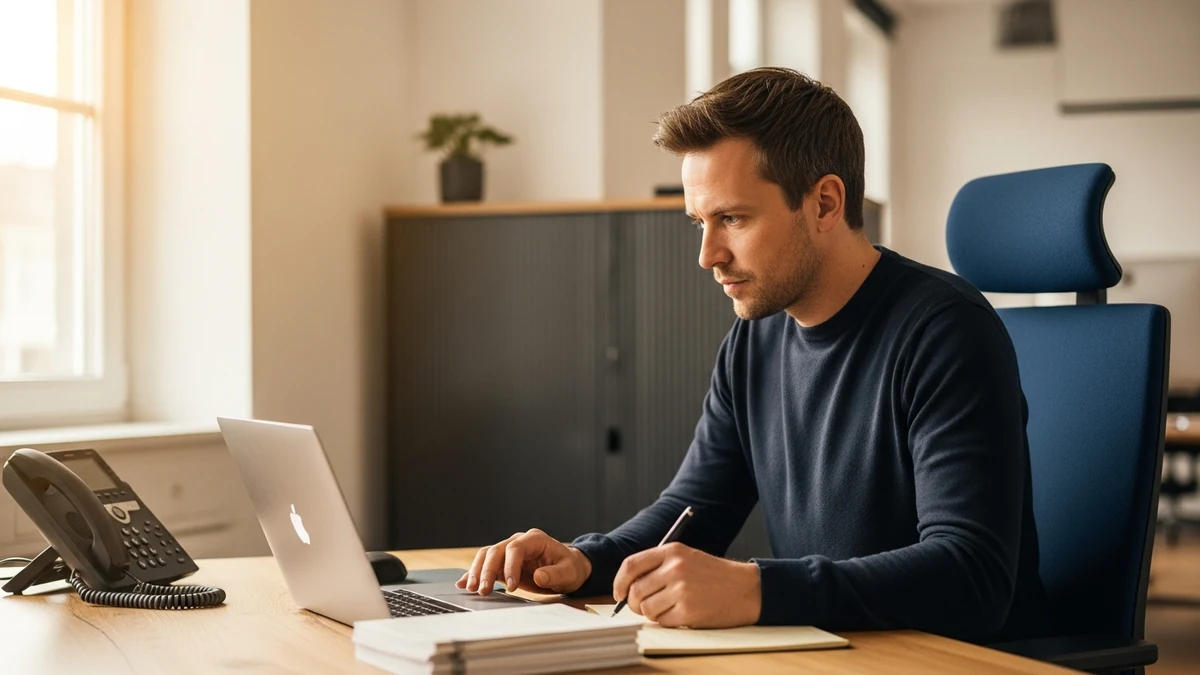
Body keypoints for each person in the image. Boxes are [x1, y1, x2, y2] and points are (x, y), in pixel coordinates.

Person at [455, 67, 1051, 643]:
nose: (708, 254)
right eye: (699, 223)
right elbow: (694, 510)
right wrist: (587, 560)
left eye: (732, 218)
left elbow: (972, 576)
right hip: (832, 653)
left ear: (824, 203)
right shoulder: (755, 340)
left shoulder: (945, 331)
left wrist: (756, 589)